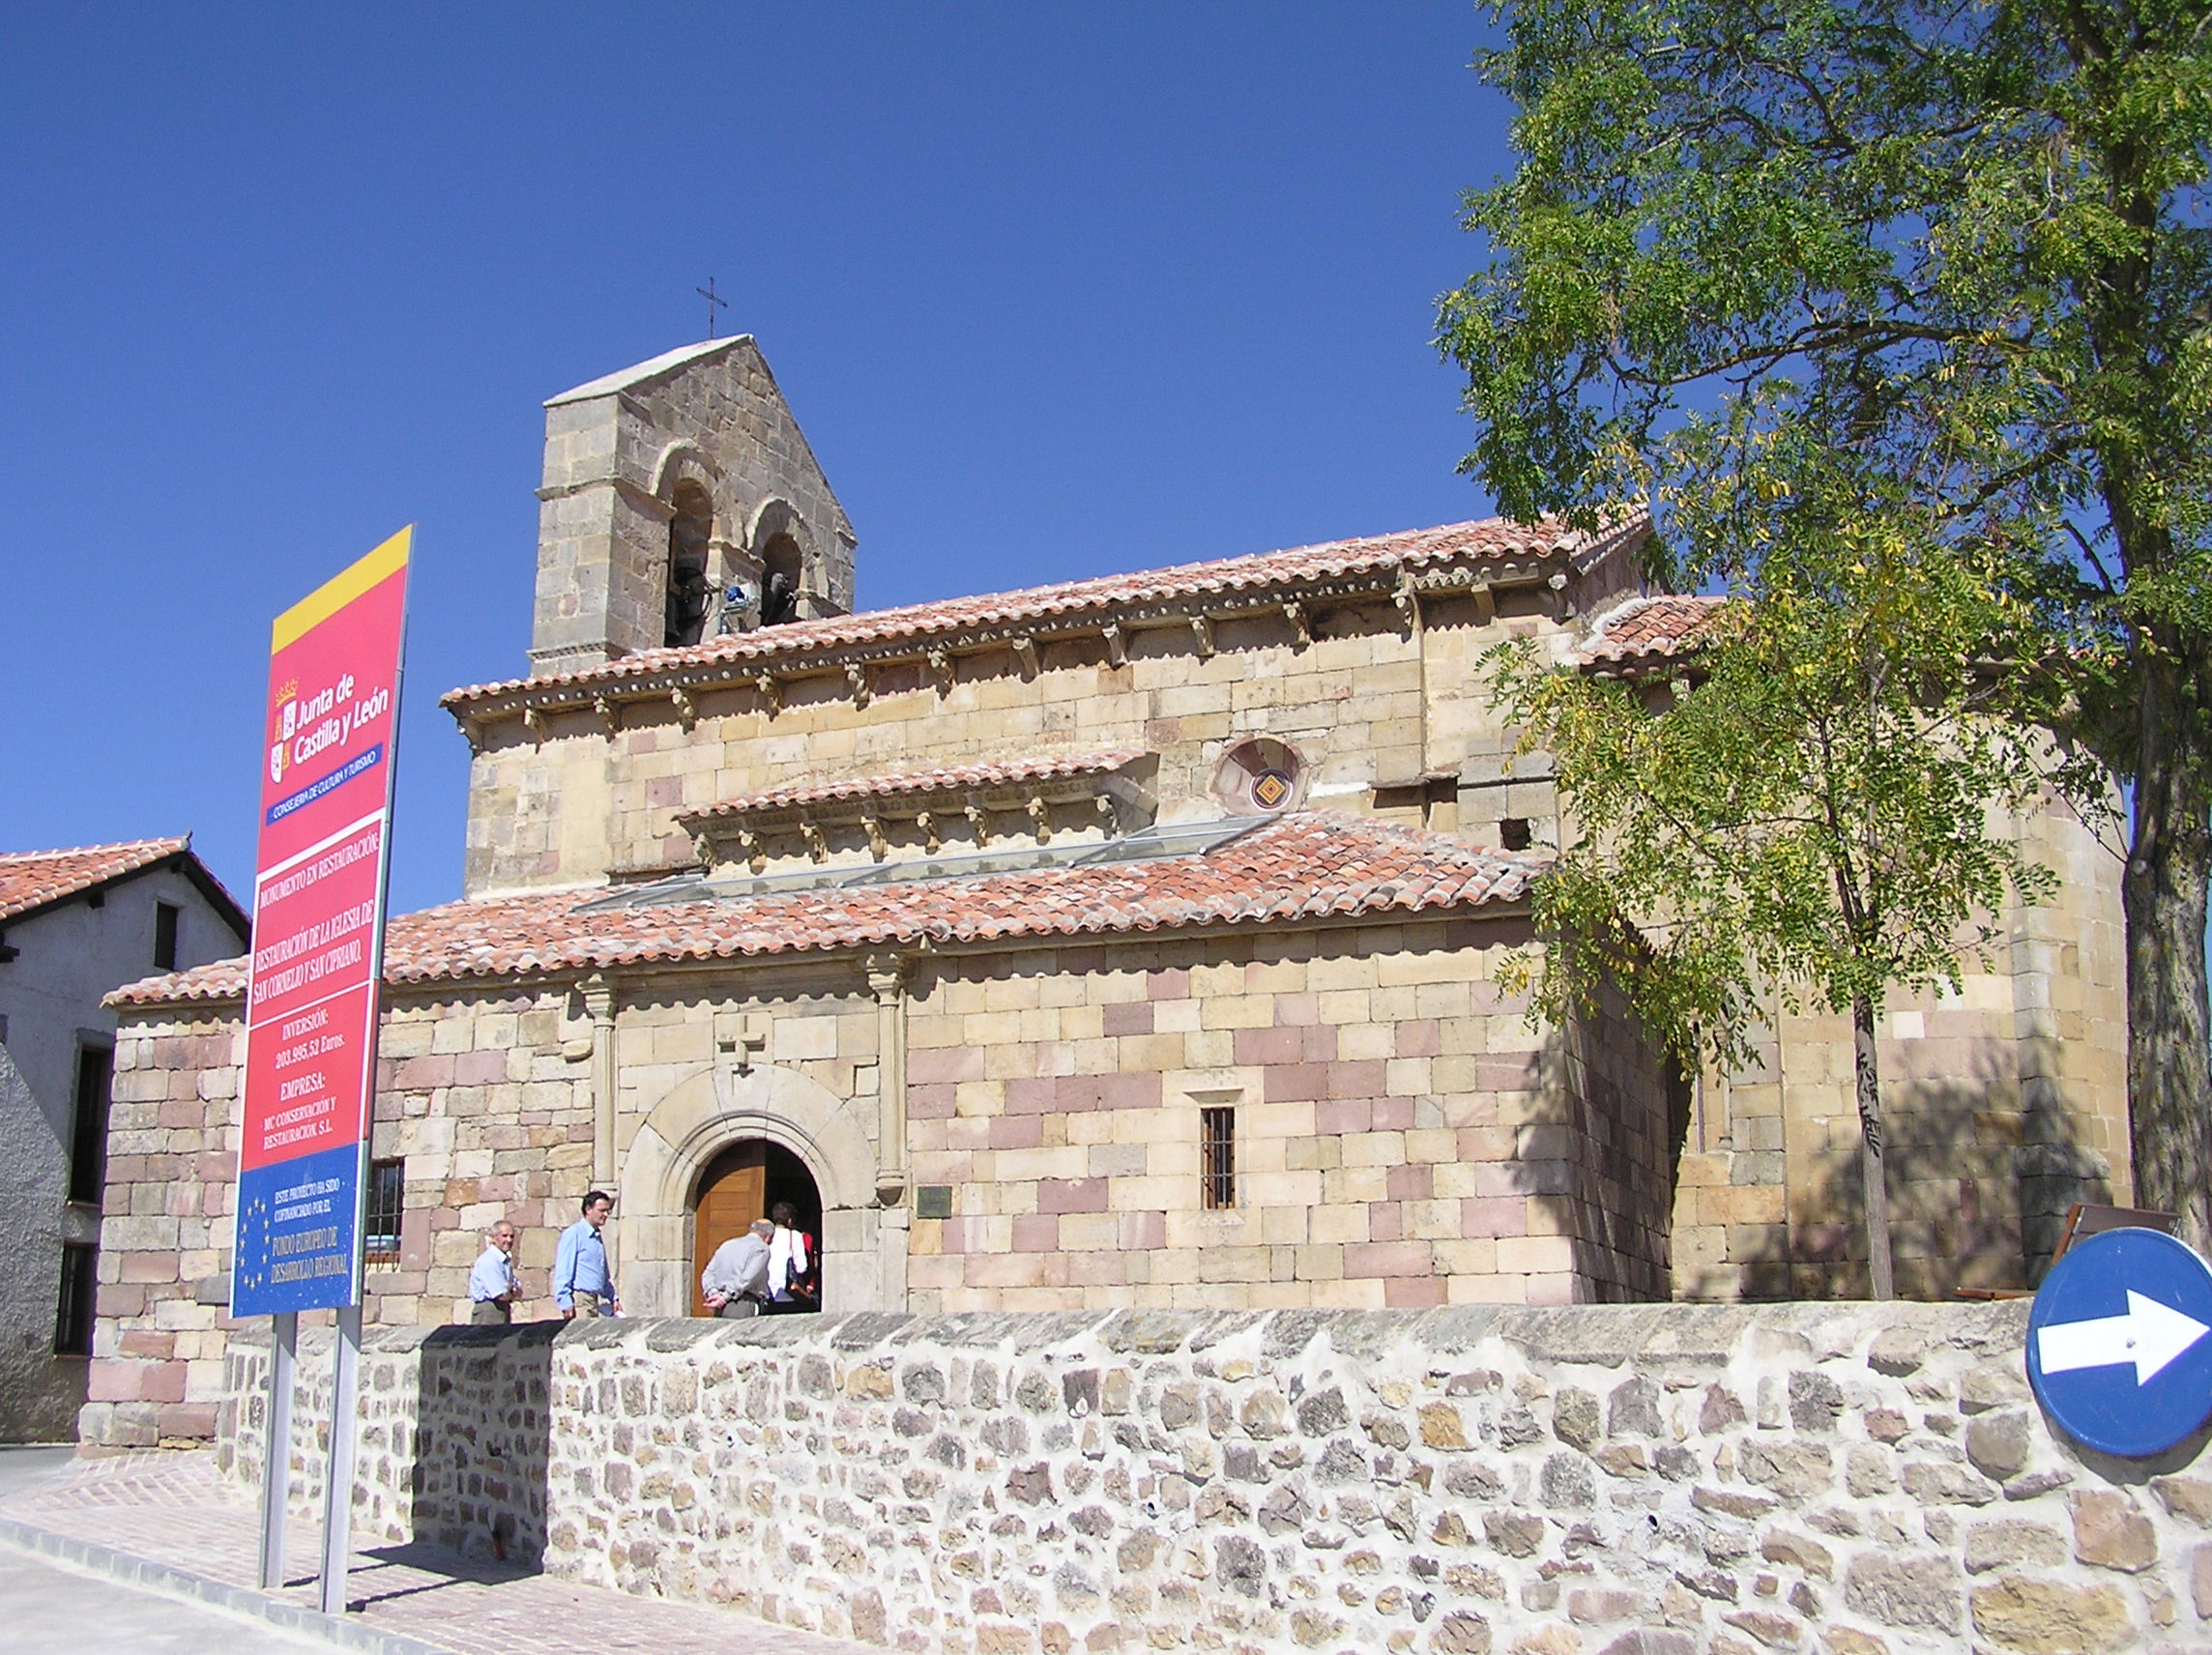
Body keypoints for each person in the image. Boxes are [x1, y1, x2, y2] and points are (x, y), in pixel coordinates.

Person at [553, 1191, 620, 1319]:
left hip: (595, 1300)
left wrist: (613, 1298)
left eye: (608, 1211)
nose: (606, 1215)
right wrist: (565, 1301)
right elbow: (564, 1270)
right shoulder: (574, 1234)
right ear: (588, 1209)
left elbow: (602, 1275)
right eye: (602, 1210)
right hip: (581, 1300)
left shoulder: (596, 1237)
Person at [701, 1218, 773, 1318]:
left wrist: (713, 1293)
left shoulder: (726, 1245)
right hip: (742, 1303)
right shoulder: (761, 1248)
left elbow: (708, 1273)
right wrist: (724, 1297)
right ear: (768, 1237)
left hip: (720, 1306)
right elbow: (747, 1278)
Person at [466, 1219, 519, 1324]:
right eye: (504, 1236)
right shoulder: (489, 1261)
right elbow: (501, 1294)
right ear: (494, 1238)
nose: (509, 1240)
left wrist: (511, 1290)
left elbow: (518, 1289)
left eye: (511, 1236)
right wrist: (511, 1291)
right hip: (489, 1312)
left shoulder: (503, 1260)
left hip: (502, 1309)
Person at [767, 1201, 815, 1313]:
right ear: (790, 1220)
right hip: (788, 1293)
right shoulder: (794, 1236)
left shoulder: (767, 1235)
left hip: (768, 1292)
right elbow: (801, 1267)